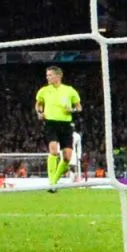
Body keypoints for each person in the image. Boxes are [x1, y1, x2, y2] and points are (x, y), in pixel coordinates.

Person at [35, 65, 82, 193]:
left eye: (50, 75)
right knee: (54, 151)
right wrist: (39, 112)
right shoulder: (44, 90)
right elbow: (38, 104)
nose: (47, 77)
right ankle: (51, 182)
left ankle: (54, 182)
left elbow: (79, 107)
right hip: (51, 123)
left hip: (66, 125)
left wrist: (71, 110)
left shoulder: (69, 90)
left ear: (58, 76)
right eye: (47, 75)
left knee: (67, 157)